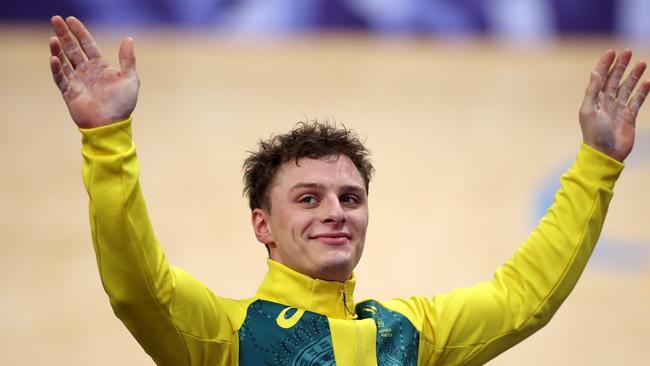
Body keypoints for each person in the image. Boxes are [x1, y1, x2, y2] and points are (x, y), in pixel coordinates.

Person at [49, 14, 648, 366]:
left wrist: (598, 162)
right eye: (307, 198)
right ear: (262, 225)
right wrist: (107, 141)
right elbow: (136, 287)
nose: (334, 212)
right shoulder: (226, 338)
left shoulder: (409, 334)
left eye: (350, 198)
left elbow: (524, 298)